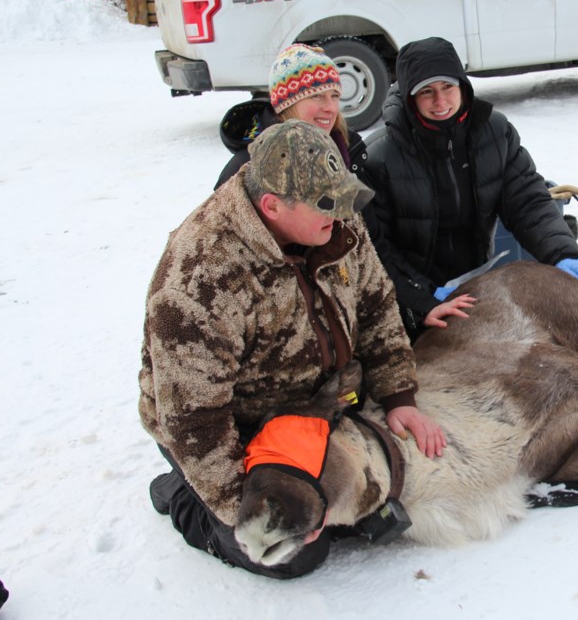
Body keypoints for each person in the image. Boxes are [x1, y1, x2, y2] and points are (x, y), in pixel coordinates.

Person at [139, 120, 446, 579]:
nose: (341, 212)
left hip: (318, 406)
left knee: (377, 488)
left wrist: (398, 395)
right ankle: (183, 498)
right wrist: (239, 506)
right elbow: (192, 419)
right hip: (232, 430)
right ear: (271, 206)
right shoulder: (200, 277)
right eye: (327, 203)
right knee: (295, 552)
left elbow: (377, 303)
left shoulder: (332, 220)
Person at [359, 36, 578, 340]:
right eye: (426, 92)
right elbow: (374, 246)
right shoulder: (380, 156)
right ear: (410, 98)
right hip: (412, 296)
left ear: (463, 86)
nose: (440, 101)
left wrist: (562, 254)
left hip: (476, 283)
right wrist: (421, 295)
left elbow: (527, 201)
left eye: (448, 87)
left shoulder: (494, 132)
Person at [215, 43, 364, 189]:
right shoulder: (247, 170)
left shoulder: (349, 149)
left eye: (335, 95)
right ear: (287, 105)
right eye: (317, 96)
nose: (330, 107)